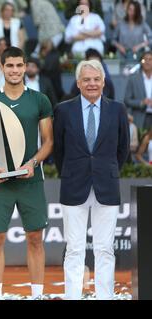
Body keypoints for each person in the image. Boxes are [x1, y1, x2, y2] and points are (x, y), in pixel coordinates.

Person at [0, 46, 54, 299]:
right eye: (9, 65)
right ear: (1, 67)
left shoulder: (39, 100)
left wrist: (32, 163)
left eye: (19, 65)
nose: (15, 70)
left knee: (35, 238)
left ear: (25, 67)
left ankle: (37, 295)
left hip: (31, 181)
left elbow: (49, 141)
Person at [53, 59, 130, 300]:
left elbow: (123, 149)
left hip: (106, 186)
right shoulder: (63, 110)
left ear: (104, 82)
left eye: (96, 79)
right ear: (78, 83)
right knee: (74, 249)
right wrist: (74, 171)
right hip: (73, 185)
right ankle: (73, 297)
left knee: (105, 249)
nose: (92, 83)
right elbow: (59, 151)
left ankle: (105, 297)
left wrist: (105, 170)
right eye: (86, 79)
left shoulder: (118, 109)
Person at [124, 51, 152, 129]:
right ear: (141, 62)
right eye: (145, 59)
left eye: (150, 59)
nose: (147, 62)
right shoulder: (133, 79)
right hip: (139, 118)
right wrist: (141, 102)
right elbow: (127, 100)